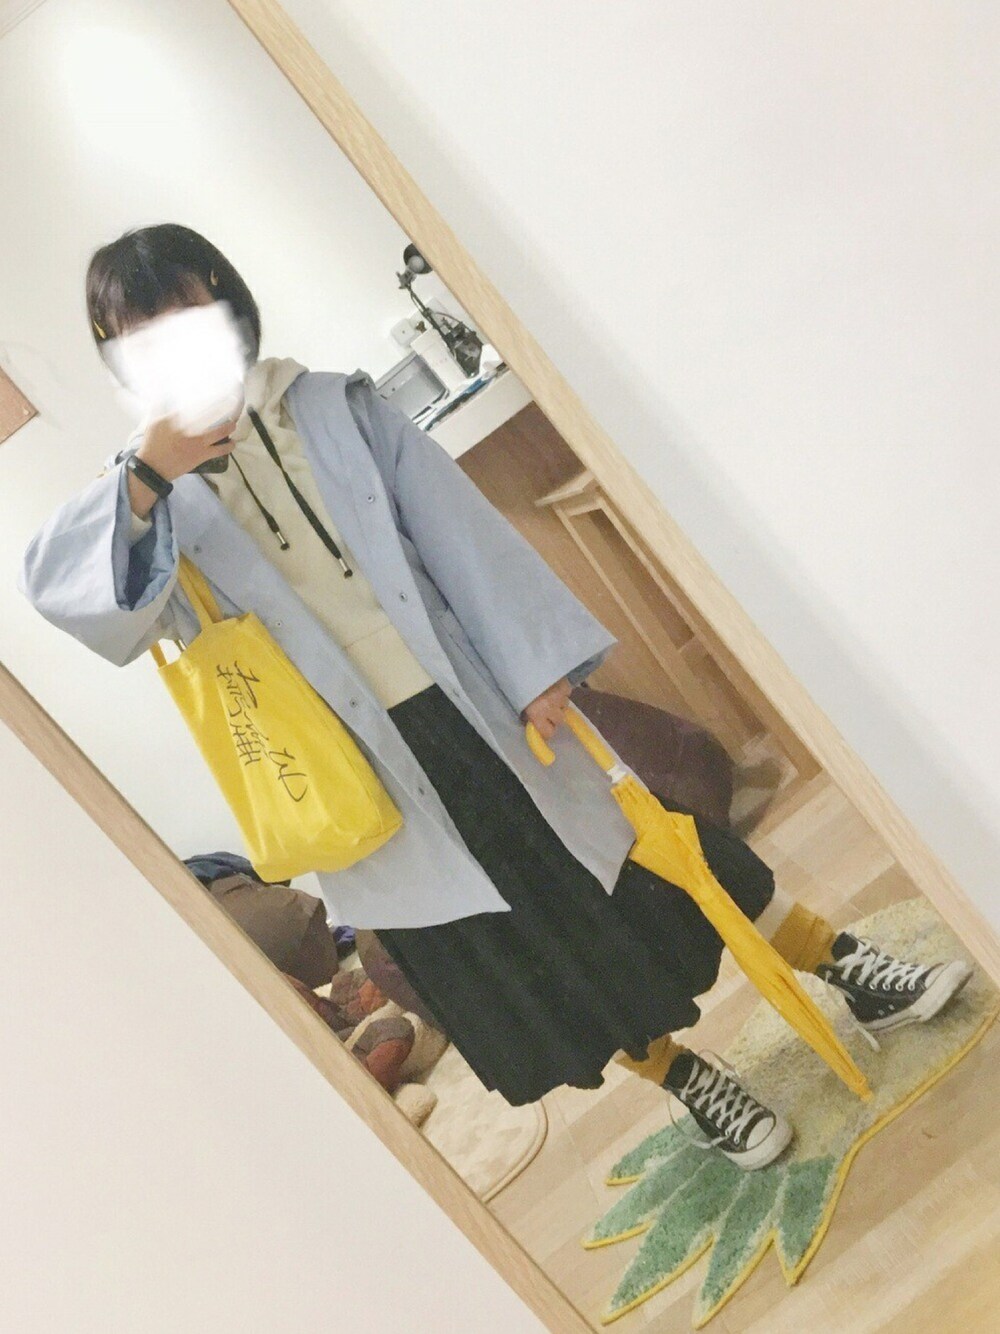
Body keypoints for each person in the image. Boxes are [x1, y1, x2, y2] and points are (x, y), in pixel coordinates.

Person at [20, 225, 974, 1172]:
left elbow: (457, 530)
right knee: (529, 950)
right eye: (138, 336)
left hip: (479, 706)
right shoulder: (140, 499)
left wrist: (533, 665)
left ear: (223, 303)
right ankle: (687, 1081)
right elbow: (69, 598)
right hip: (356, 774)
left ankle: (841, 961)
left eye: (182, 314)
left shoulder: (333, 406)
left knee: (660, 851)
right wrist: (148, 473)